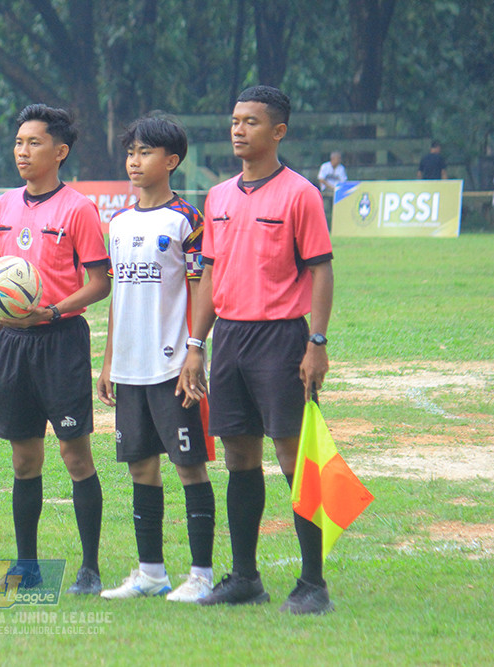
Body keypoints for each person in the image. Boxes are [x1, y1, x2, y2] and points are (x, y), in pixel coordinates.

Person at [179, 85, 335, 615]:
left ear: (278, 132)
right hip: (230, 341)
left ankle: (312, 583)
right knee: (240, 456)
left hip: (281, 338)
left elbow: (320, 269)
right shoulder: (218, 197)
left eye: (251, 121)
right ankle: (245, 577)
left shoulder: (300, 194)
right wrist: (197, 345)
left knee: (296, 459)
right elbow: (209, 274)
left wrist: (316, 341)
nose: (238, 129)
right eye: (235, 120)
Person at [0, 104, 112, 595]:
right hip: (13, 343)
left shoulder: (78, 208)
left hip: (60, 341)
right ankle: (26, 567)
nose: (23, 151)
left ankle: (90, 567)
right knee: (24, 461)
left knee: (74, 454)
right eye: (19, 142)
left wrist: (56, 310)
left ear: (59, 152)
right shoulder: (2, 206)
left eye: (34, 143)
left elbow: (99, 282)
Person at [96, 113, 216, 603]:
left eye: (145, 153)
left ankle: (202, 575)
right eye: (131, 153)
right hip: (129, 366)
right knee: (140, 467)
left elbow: (199, 289)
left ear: (171, 161)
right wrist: (107, 363)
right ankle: (150, 573)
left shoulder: (187, 220)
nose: (134, 161)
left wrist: (194, 351)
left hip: (172, 366)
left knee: (190, 467)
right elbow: (119, 298)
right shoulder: (119, 223)